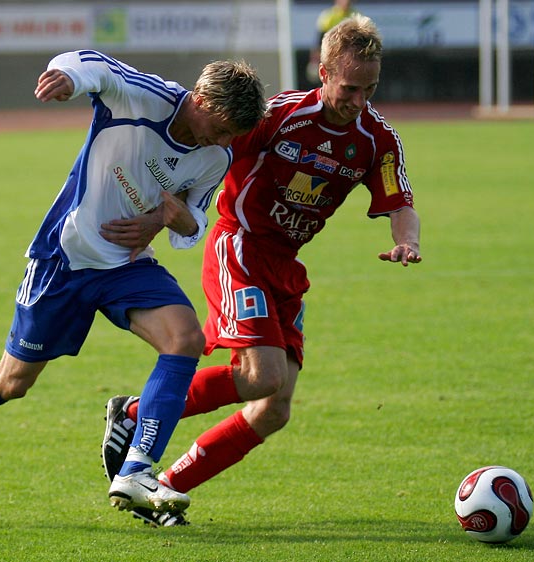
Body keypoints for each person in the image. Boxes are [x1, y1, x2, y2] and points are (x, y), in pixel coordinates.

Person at [101, 13, 422, 526]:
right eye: (350, 87)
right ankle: (138, 415)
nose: (359, 99)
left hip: (285, 269)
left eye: (370, 88)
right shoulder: (280, 117)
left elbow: (399, 201)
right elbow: (209, 152)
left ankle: (163, 487)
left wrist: (406, 240)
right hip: (240, 247)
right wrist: (159, 217)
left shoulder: (376, 139)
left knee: (274, 407)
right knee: (260, 376)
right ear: (323, 71)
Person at [0, 49, 266, 517]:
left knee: (186, 338)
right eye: (222, 127)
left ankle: (137, 469)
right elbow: (95, 65)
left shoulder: (215, 156)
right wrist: (67, 76)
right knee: (13, 381)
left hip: (127, 264)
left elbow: (195, 219)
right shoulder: (144, 98)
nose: (225, 140)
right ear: (202, 99)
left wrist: (172, 222)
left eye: (232, 135)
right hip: (67, 257)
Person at [306, 0, 359, 85]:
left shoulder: (356, 15)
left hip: (349, 57)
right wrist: (314, 60)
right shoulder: (328, 16)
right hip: (332, 57)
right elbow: (319, 41)